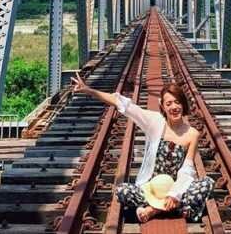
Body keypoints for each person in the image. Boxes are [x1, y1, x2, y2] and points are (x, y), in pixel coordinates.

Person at [70, 72, 215, 223]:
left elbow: (187, 169)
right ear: (163, 107)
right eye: (169, 103)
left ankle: (154, 210)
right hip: (151, 190)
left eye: (177, 102)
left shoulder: (192, 134)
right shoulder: (155, 122)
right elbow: (124, 105)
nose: (174, 107)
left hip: (175, 192)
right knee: (123, 190)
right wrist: (89, 90)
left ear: (183, 104)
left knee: (206, 183)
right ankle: (171, 210)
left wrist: (174, 194)